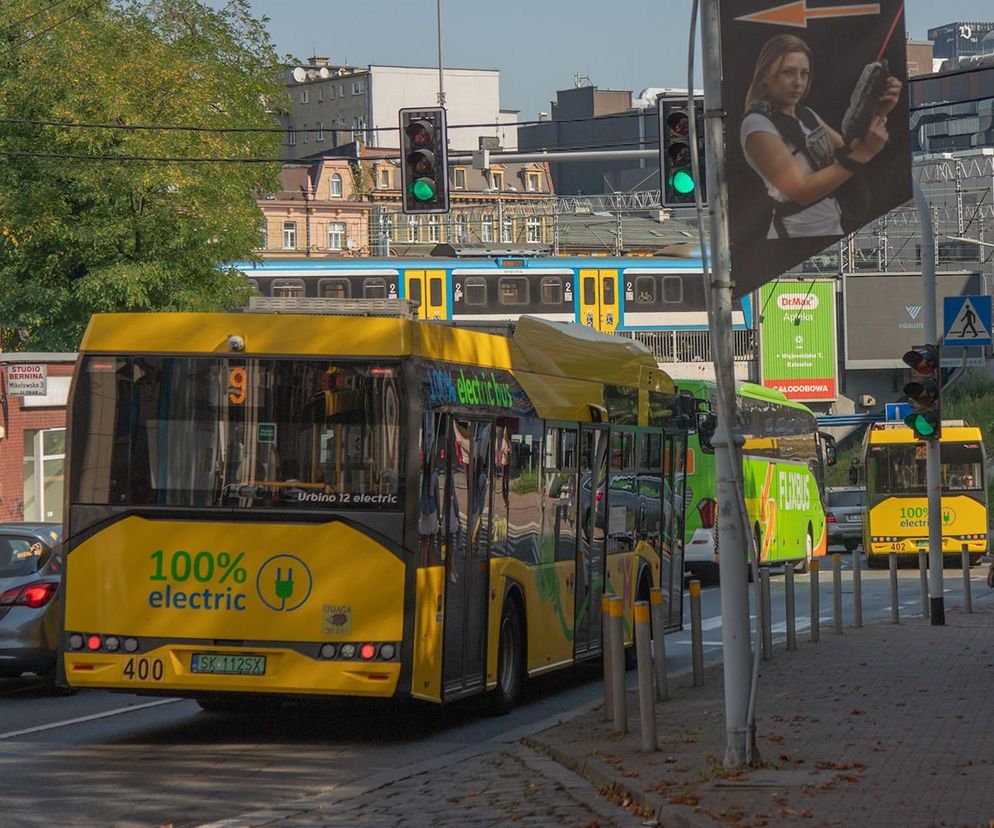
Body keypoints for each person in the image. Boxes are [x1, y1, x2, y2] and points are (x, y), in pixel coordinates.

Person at [740, 34, 901, 239]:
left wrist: (879, 112)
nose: (798, 82)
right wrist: (864, 153)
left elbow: (848, 148)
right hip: (792, 239)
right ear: (765, 75)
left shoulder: (806, 114)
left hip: (832, 227)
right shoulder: (757, 124)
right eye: (788, 72)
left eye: (804, 74)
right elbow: (800, 191)